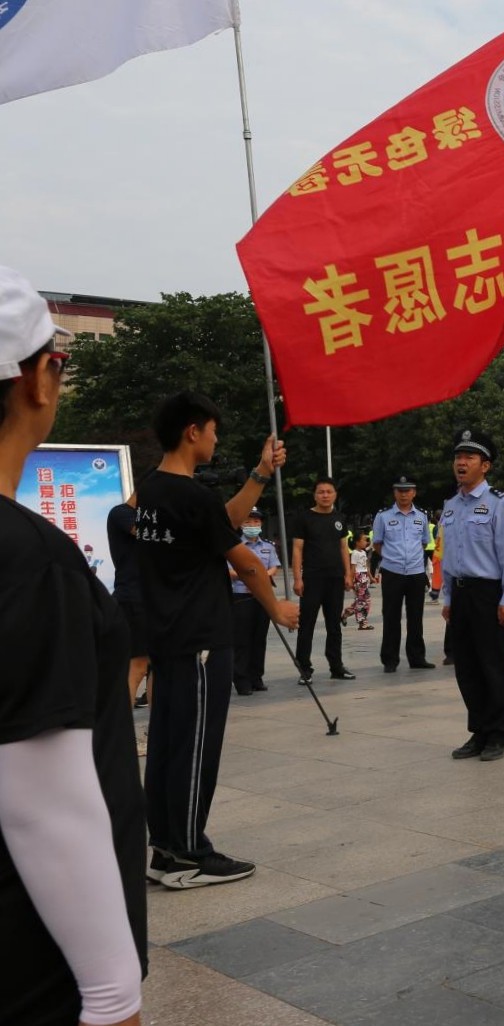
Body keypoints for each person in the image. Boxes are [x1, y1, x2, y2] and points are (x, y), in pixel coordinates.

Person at [0, 270, 147, 1026]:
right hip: (30, 961)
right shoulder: (28, 559)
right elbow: (41, 803)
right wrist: (113, 995)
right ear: (38, 381)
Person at [136, 391, 300, 889]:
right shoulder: (189, 494)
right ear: (193, 431)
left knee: (168, 743)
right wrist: (277, 608)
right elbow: (246, 561)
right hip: (201, 639)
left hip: (168, 637)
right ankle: (189, 853)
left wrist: (259, 473)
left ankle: (164, 848)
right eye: (212, 430)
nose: (215, 438)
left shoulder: (153, 489)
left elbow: (219, 522)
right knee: (195, 748)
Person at [439, 429, 504, 762]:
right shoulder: (451, 505)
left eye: (469, 457)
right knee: (467, 667)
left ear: (484, 466)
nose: (461, 463)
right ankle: (479, 731)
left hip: (489, 594)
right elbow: (447, 556)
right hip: (460, 594)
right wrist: (446, 599)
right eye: (458, 457)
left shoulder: (501, 504)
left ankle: (499, 733)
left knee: (493, 665)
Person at [291, 477, 354, 685]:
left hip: (335, 578)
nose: (325, 495)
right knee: (306, 624)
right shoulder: (304, 518)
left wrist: (347, 574)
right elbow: (297, 549)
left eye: (329, 491)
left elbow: (343, 547)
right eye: (321, 492)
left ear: (335, 494)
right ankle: (304, 669)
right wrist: (298, 578)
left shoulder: (339, 518)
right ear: (315, 495)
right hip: (312, 578)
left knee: (334, 625)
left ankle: (336, 666)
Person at [372, 475, 434, 673]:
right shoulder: (383, 516)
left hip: (416, 572)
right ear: (394, 493)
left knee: (416, 617)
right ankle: (390, 660)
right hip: (393, 572)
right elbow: (377, 545)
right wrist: (394, 558)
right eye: (400, 490)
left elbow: (424, 543)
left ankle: (417, 658)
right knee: (391, 617)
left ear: (414, 492)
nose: (404, 494)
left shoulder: (422, 516)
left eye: (408, 490)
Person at [228, 508, 280, 696]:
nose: (252, 525)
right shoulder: (234, 546)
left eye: (256, 522)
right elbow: (228, 571)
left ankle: (256, 677)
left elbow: (274, 567)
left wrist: (262, 577)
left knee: (259, 638)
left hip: (262, 597)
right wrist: (249, 576)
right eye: (248, 522)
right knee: (242, 639)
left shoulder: (268, 546)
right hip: (241, 596)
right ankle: (241, 680)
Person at [107, 491, 150, 715]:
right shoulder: (121, 513)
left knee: (156, 667)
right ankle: (121, 732)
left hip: (154, 600)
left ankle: (157, 730)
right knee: (138, 665)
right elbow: (144, 532)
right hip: (134, 599)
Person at [341, 532, 374, 630]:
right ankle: (362, 623)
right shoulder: (355, 553)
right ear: (357, 542)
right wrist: (350, 580)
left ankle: (347, 613)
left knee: (366, 601)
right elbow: (353, 568)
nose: (366, 542)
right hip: (358, 577)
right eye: (363, 540)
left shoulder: (363, 552)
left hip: (364, 577)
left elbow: (366, 566)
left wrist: (371, 577)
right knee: (361, 601)